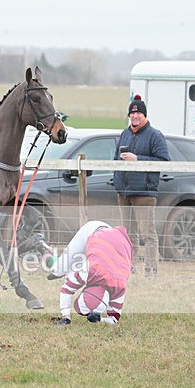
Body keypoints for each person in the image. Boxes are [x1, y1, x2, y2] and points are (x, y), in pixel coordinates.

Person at [114, 95, 169, 278]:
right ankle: (127, 269)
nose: (135, 116)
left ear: (144, 115)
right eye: (133, 112)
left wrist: (138, 159)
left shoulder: (155, 135)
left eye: (139, 113)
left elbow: (163, 161)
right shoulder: (124, 134)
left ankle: (150, 271)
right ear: (129, 115)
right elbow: (115, 160)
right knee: (128, 235)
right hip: (124, 192)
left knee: (148, 234)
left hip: (144, 192)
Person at [45, 221, 133, 326]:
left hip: (112, 236)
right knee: (57, 271)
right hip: (93, 230)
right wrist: (66, 317)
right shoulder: (88, 272)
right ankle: (43, 248)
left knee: (72, 267)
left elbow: (114, 320)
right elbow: (66, 290)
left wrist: (99, 320)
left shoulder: (119, 287)